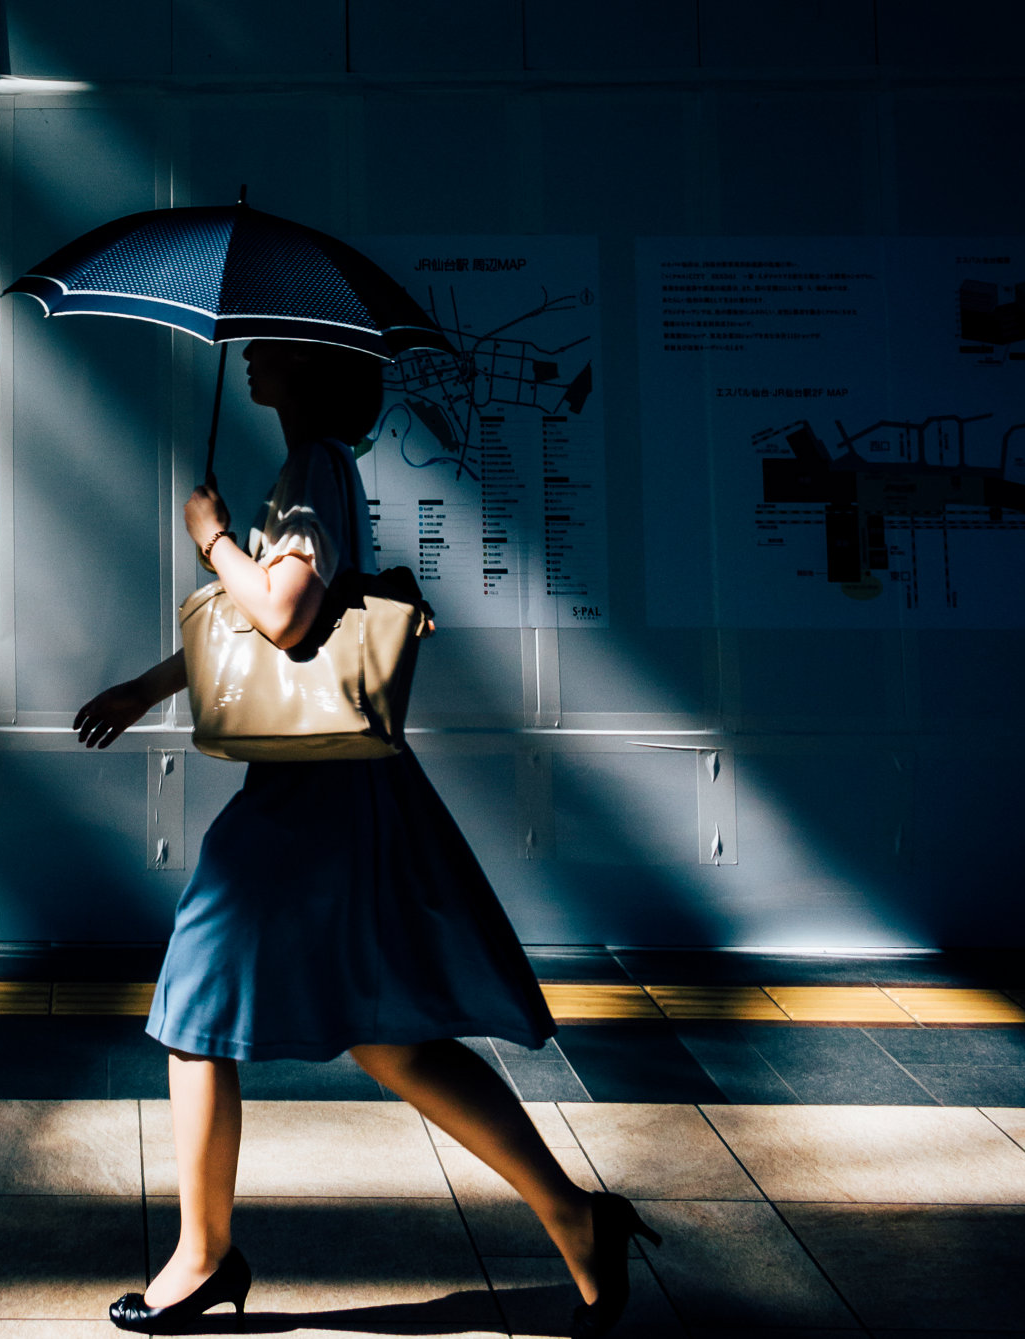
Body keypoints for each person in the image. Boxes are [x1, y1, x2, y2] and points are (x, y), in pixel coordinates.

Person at [74, 340, 659, 1338]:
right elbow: (256, 631)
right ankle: (576, 1218)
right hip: (336, 789)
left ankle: (203, 1257)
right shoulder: (315, 469)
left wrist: (210, 537)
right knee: (387, 1036)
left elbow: (285, 618)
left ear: (309, 366)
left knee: (194, 995)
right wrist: (148, 684)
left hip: (309, 799)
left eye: (272, 345)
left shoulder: (311, 469)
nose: (251, 353)